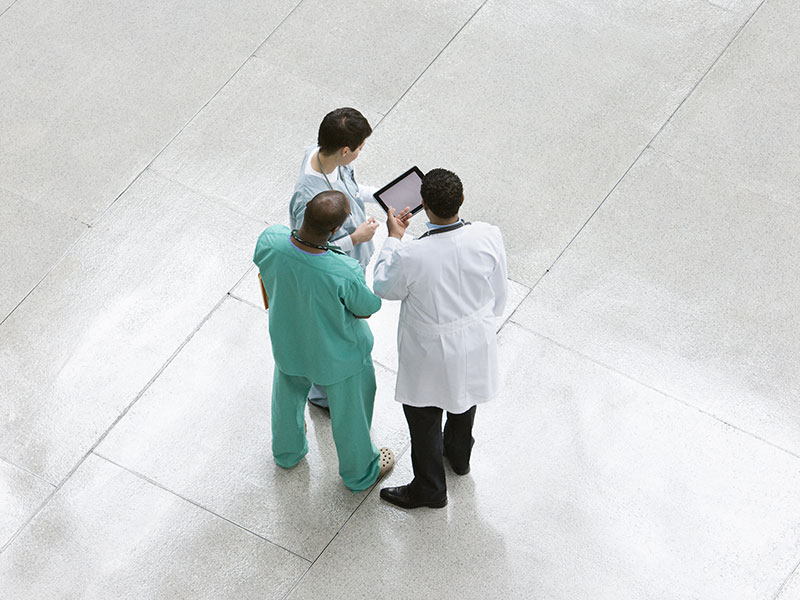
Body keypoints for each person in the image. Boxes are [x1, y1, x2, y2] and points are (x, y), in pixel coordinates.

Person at [372, 168, 507, 508]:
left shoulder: (412, 255)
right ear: (461, 199)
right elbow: (499, 290)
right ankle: (459, 459)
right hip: (476, 339)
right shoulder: (488, 235)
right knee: (465, 398)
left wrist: (393, 238)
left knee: (424, 417)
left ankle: (431, 488)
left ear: (423, 206)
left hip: (430, 351)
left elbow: (383, 287)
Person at [254, 190, 394, 492]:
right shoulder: (342, 271)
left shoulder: (270, 241)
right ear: (334, 231)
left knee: (286, 400)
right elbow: (368, 307)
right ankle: (361, 473)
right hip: (338, 360)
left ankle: (287, 453)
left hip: (289, 345)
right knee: (350, 416)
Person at [289, 107, 380, 410]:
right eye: (359, 148)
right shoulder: (308, 195)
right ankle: (324, 396)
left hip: (354, 260)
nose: (359, 153)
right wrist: (356, 238)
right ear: (345, 150)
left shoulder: (329, 160)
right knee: (333, 329)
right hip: (334, 269)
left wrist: (382, 195)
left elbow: (352, 190)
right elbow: (311, 246)